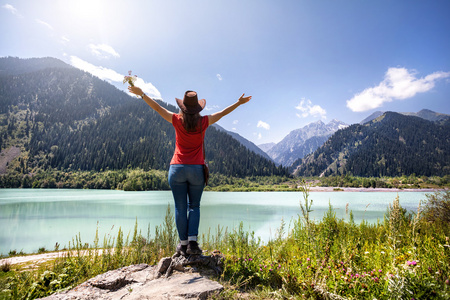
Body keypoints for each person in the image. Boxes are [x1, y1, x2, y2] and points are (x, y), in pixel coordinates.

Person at [128, 86, 252, 255]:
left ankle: (182, 244)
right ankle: (193, 244)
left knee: (180, 207)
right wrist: (238, 103)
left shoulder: (176, 120)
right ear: (198, 109)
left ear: (183, 107)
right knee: (194, 206)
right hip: (196, 170)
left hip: (177, 168)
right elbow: (222, 113)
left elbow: (157, 108)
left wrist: (141, 94)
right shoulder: (204, 122)